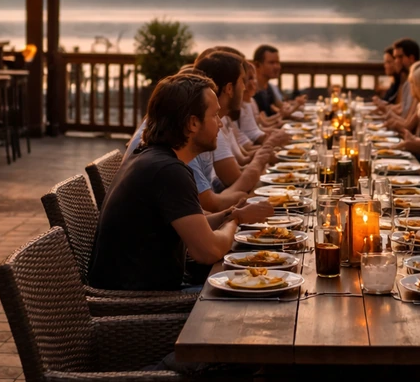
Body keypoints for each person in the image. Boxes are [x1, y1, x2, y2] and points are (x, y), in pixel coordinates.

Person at [88, 72, 273, 291]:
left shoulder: (149, 157)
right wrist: (236, 220)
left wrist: (232, 214)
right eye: (215, 115)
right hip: (137, 301)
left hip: (135, 289)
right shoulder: (168, 172)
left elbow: (197, 225)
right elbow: (208, 251)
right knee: (258, 291)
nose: (220, 124)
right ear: (193, 123)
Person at [194, 51, 273, 189]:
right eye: (243, 80)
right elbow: (232, 181)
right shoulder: (208, 129)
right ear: (229, 88)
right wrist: (260, 161)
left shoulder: (219, 121)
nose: (245, 86)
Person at [252, 44, 305, 118]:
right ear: (257, 65)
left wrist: (297, 104)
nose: (277, 67)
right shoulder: (251, 90)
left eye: (277, 62)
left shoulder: (269, 87)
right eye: (271, 63)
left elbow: (283, 110)